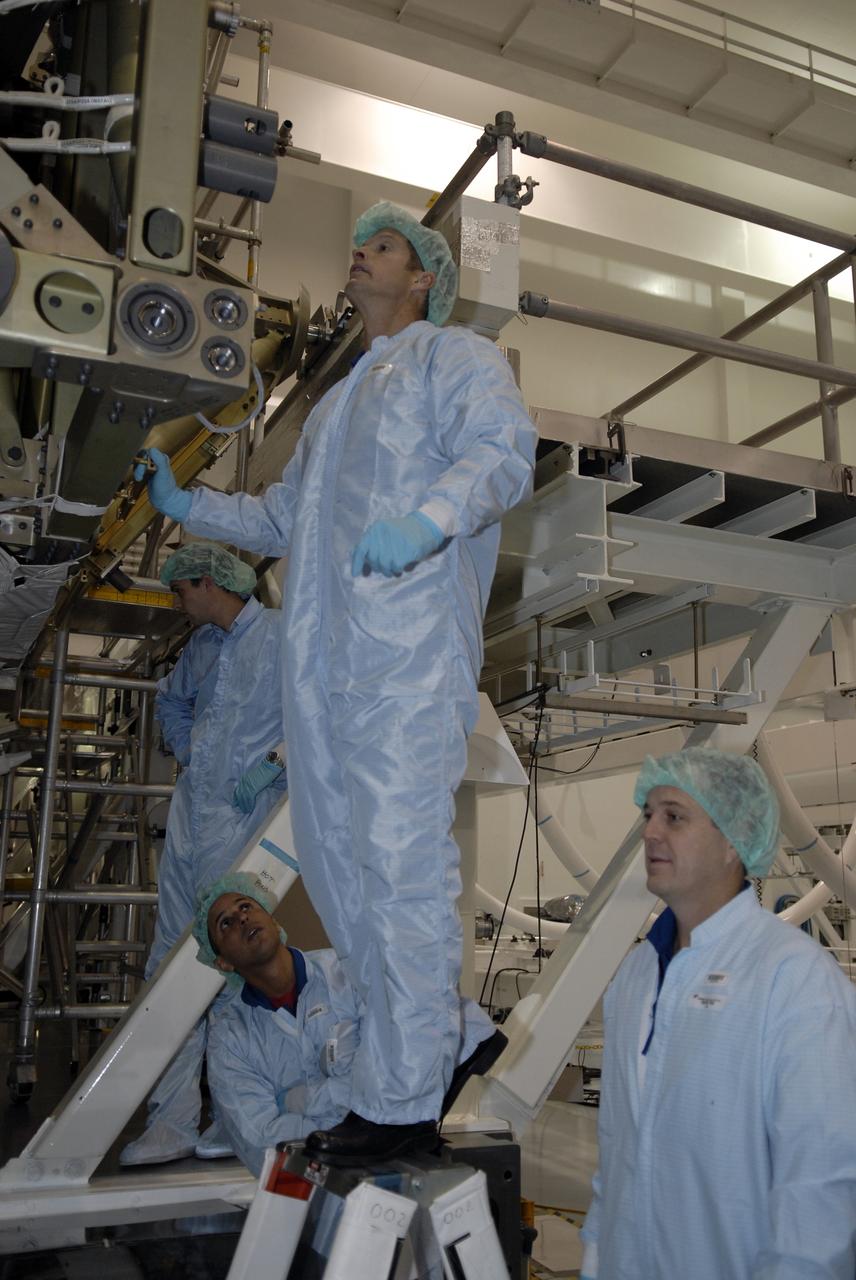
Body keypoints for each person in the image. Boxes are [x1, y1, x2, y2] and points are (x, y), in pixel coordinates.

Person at [133, 201, 534, 1162]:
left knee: (398, 868)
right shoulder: (341, 397)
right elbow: (282, 521)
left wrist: (431, 521)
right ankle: (431, 1045)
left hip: (402, 658)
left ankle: (401, 1094)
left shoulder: (456, 359)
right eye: (356, 243)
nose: (359, 254)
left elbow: (501, 452)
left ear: (426, 275)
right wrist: (195, 508)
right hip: (326, 677)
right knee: (345, 875)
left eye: (383, 245)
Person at [580, 747, 856, 1280]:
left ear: (733, 841)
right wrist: (595, 1257)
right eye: (648, 814)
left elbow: (823, 1188)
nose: (650, 832)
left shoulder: (793, 978)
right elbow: (617, 1152)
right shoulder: (636, 974)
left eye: (674, 816)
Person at [119, 543, 288, 1166]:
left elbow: (322, 711)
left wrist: (275, 765)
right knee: (168, 958)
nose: (176, 603)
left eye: (179, 591)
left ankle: (240, 1114)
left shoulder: (282, 635)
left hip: (246, 814)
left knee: (230, 963)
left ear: (208, 583)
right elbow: (171, 700)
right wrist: (188, 752)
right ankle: (172, 1120)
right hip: (195, 812)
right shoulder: (202, 649)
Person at [193, 872, 506, 1176]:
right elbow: (259, 1143)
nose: (242, 918)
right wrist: (352, 1118)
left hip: (399, 1156)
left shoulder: (350, 972)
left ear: (274, 920)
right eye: (226, 923)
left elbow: (404, 1063)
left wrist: (298, 1102)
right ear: (222, 962)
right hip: (311, 1184)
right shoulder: (230, 1037)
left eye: (246, 906)